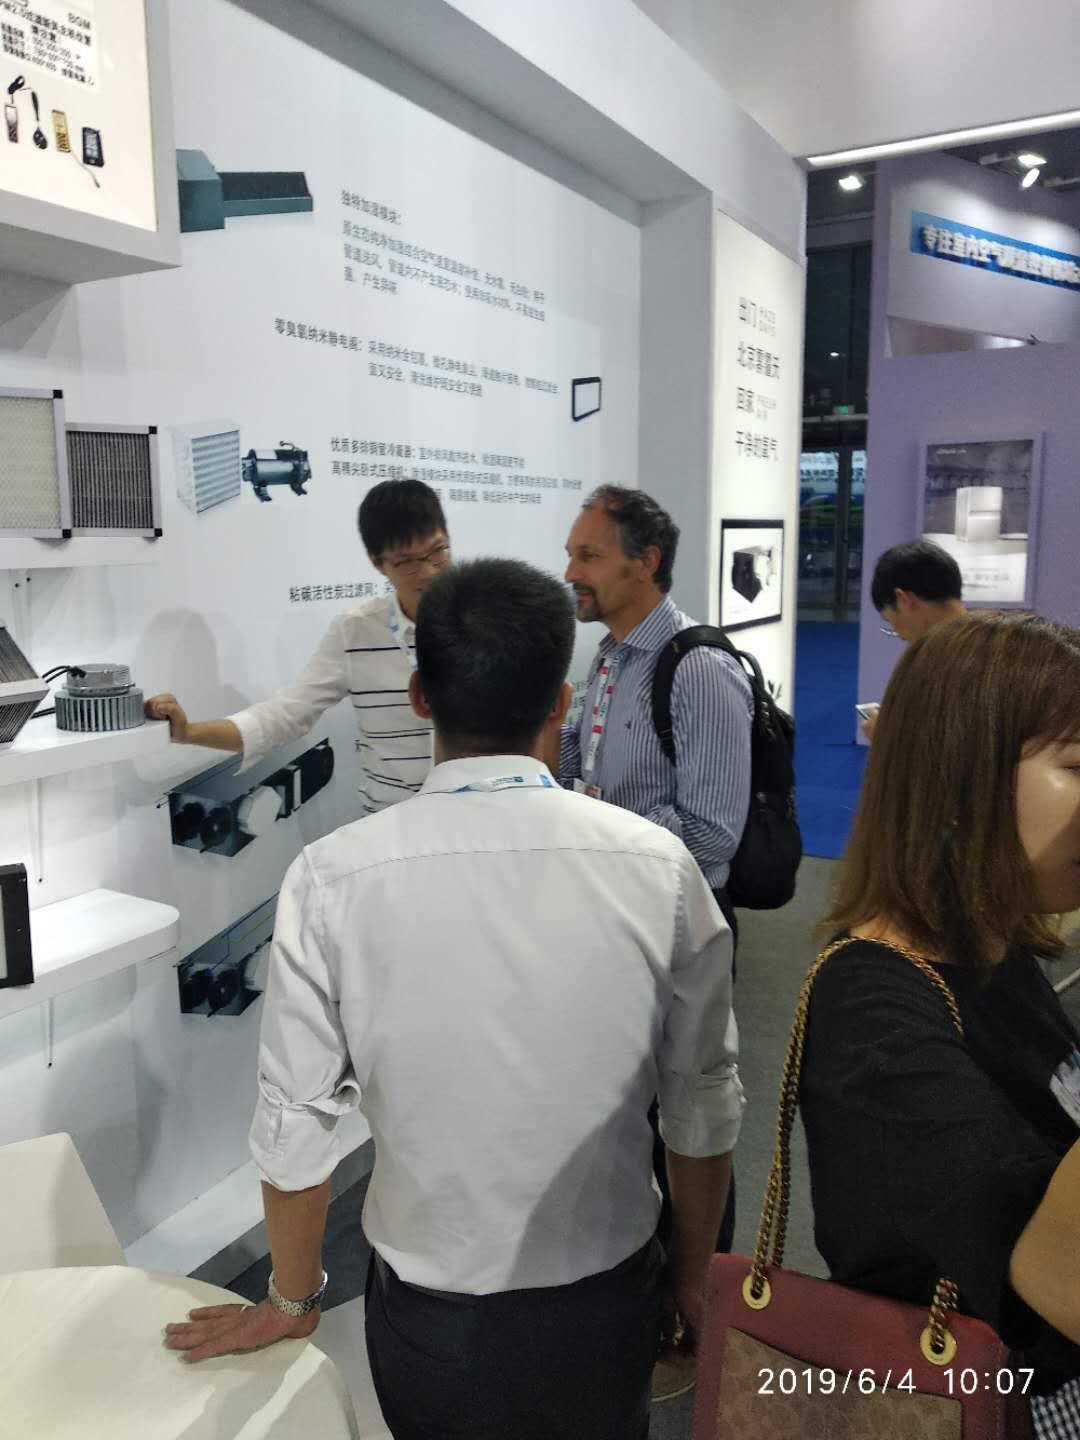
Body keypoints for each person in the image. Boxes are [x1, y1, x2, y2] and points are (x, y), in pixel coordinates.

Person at [164, 557, 743, 1440]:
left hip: (429, 1312)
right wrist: (693, 1281)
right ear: (561, 702)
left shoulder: (331, 877)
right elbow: (701, 1106)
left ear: (419, 698)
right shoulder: (658, 868)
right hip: (606, 1297)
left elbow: (296, 1119)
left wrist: (292, 1298)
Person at [801, 611, 1080, 1438]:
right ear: (964, 780)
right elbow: (1056, 1283)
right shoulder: (871, 1005)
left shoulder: (997, 945)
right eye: (1076, 765)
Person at [144, 479, 449, 814]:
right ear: (378, 563)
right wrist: (188, 732)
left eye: (437, 551)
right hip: (393, 823)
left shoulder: (485, 617)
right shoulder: (355, 632)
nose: (427, 572)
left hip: (478, 815)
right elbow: (285, 715)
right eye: (407, 562)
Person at [558, 485, 753, 935]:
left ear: (647, 562)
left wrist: (602, 840)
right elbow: (589, 766)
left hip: (676, 914)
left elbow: (712, 834)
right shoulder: (610, 654)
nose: (570, 573)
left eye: (589, 556)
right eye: (571, 556)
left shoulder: (700, 669)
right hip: (614, 897)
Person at [861, 538, 965, 739]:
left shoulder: (937, 662)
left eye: (890, 620)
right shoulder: (1007, 644)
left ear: (903, 599)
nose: (897, 633)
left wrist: (888, 738)